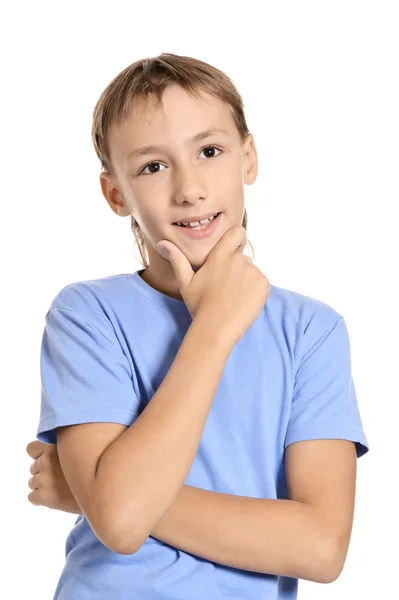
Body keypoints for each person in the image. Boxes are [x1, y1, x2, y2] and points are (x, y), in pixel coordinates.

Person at [26, 53, 370, 600]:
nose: (190, 189)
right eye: (152, 166)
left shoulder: (311, 331)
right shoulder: (86, 314)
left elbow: (321, 549)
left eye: (209, 152)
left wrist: (99, 493)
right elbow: (117, 525)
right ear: (116, 194)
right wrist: (214, 326)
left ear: (248, 157)